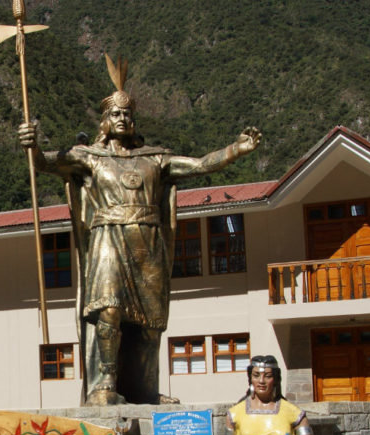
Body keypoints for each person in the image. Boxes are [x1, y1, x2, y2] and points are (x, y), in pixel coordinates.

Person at [19, 55, 260, 405]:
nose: (122, 118)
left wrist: (236, 150)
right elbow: (43, 163)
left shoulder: (155, 158)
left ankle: (145, 390)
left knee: (149, 322)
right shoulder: (89, 157)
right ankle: (104, 387)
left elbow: (200, 165)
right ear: (104, 120)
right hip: (107, 237)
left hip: (147, 241)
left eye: (128, 113)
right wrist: (32, 143)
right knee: (108, 310)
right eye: (115, 113)